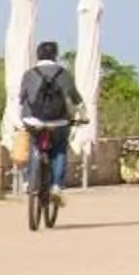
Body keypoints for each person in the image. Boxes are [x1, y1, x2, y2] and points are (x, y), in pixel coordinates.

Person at [15, 40, 80, 200]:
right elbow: (76, 98)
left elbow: (21, 98)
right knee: (59, 149)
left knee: (34, 144)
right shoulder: (64, 74)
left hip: (33, 120)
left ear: (38, 55)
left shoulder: (29, 74)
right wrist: (83, 117)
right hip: (59, 121)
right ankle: (56, 185)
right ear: (55, 55)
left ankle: (30, 180)